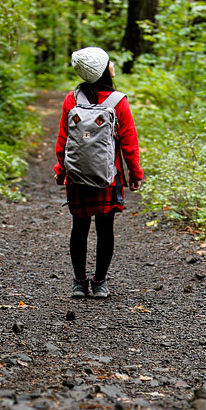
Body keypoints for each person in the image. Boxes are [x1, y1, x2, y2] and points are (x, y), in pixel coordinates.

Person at [54, 47, 143, 299]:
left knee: (79, 227)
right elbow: (129, 143)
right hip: (108, 174)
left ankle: (80, 283)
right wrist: (135, 174)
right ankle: (100, 282)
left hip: (78, 174)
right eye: (109, 62)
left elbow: (64, 140)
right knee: (106, 229)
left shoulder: (72, 99)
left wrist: (62, 169)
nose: (112, 64)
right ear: (104, 70)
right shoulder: (118, 101)